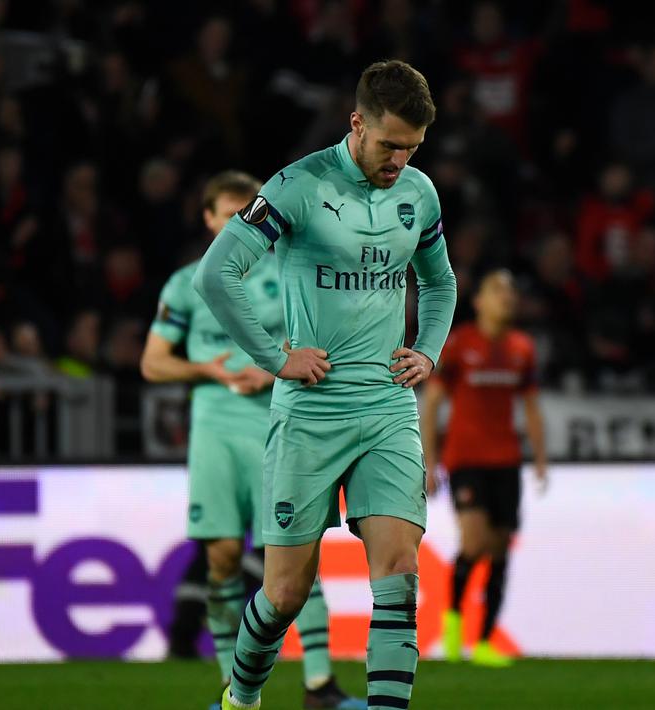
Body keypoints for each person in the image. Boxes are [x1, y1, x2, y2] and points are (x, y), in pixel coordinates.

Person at [193, 60, 457, 710]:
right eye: (389, 144)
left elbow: (441, 280)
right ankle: (241, 697)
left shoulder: (418, 194)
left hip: (388, 407)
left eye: (412, 148)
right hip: (310, 413)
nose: (399, 160)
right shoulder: (298, 186)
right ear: (357, 123)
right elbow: (216, 273)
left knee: (397, 573)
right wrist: (274, 356)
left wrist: (427, 350)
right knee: (283, 593)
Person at [142, 171, 365, 709]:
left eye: (248, 211)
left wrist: (275, 369)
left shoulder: (289, 274)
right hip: (214, 432)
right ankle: (233, 685)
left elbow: (323, 340)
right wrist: (208, 370)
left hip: (279, 425)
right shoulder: (186, 283)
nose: (238, 221)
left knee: (294, 556)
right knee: (221, 558)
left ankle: (319, 684)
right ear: (209, 218)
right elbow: (152, 363)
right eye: (227, 211)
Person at [420, 268, 547, 667]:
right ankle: (454, 622)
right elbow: (434, 401)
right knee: (474, 543)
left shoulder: (521, 348)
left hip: (506, 460)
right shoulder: (460, 346)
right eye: (497, 292)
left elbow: (530, 405)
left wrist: (541, 458)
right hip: (466, 458)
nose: (506, 299)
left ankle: (486, 641)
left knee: (500, 550)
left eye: (510, 293)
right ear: (479, 302)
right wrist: (430, 458)